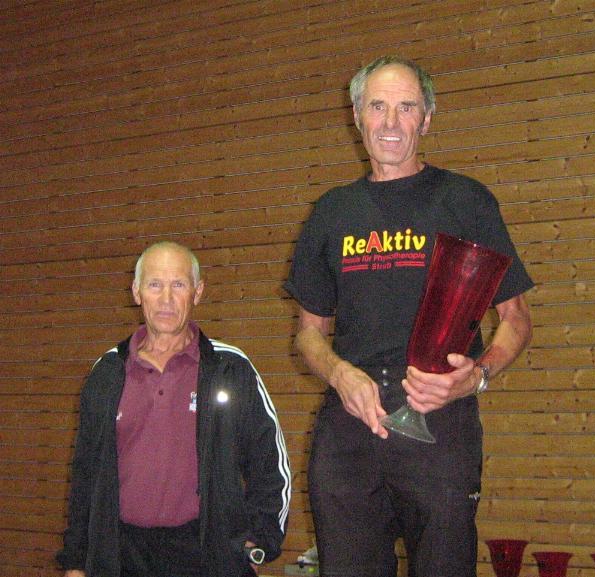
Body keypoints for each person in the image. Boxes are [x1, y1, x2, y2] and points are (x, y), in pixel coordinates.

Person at [284, 56, 533, 577]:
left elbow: (516, 319)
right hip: (351, 423)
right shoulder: (331, 212)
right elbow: (308, 333)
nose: (391, 122)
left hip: (439, 417)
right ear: (357, 116)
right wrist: (340, 374)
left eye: (406, 107)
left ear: (427, 118)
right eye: (378, 106)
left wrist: (476, 377)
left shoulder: (466, 201)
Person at [57, 241, 291, 577]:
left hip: (205, 558)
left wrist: (259, 541)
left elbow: (271, 462)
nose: (166, 298)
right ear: (137, 292)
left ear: (198, 292)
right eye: (155, 284)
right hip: (122, 557)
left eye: (178, 285)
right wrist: (76, 561)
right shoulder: (106, 373)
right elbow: (86, 476)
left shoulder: (230, 368)